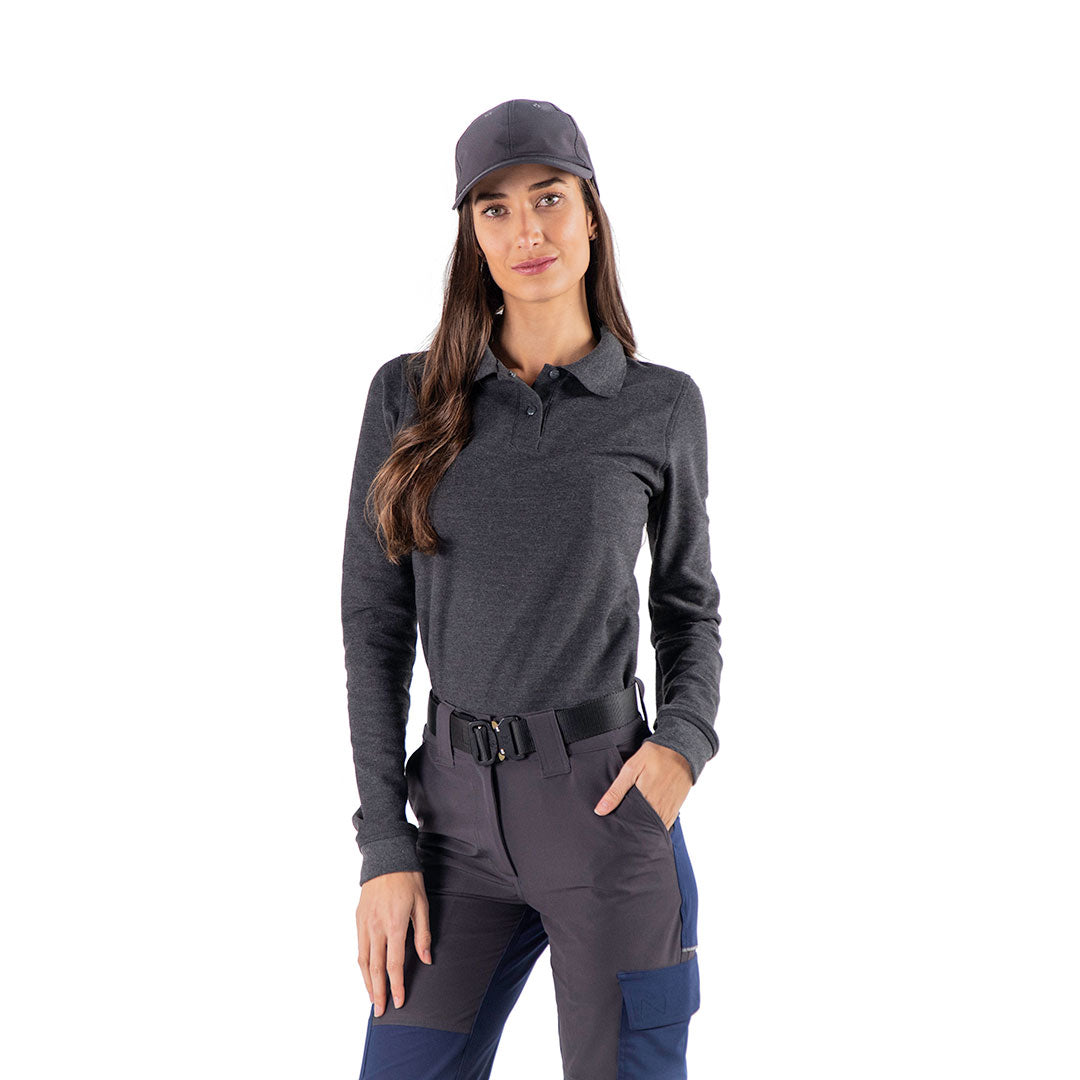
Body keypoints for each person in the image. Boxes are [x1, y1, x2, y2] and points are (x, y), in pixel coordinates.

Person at [340, 98, 722, 1080]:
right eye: (496, 209)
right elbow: (374, 631)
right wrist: (385, 847)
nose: (528, 231)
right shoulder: (407, 398)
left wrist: (682, 746)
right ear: (473, 236)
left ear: (591, 213)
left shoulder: (659, 405)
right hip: (452, 827)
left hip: (606, 812)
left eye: (549, 199)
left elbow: (688, 609)